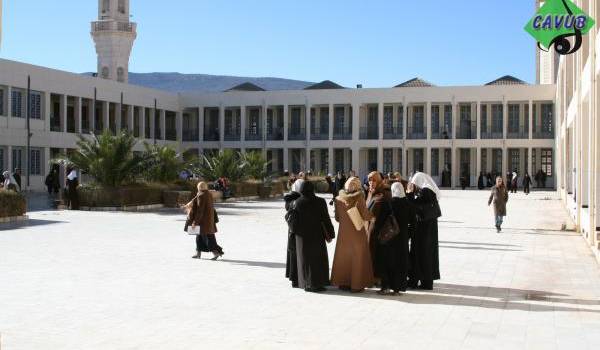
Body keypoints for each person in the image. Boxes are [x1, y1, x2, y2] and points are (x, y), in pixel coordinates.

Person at [330, 177, 374, 293]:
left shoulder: (338, 198)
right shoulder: (359, 197)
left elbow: (337, 218)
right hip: (357, 231)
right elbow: (365, 215)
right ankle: (356, 285)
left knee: (344, 258)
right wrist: (373, 216)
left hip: (343, 234)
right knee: (358, 257)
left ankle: (343, 283)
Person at [291, 181, 335, 292]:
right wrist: (331, 232)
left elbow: (293, 222)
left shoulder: (297, 202)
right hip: (317, 235)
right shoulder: (320, 201)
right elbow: (326, 218)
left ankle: (307, 283)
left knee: (305, 260)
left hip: (302, 236)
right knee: (318, 259)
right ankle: (319, 282)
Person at [373, 182, 414, 294]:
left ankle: (386, 287)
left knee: (387, 262)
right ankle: (397, 289)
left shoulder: (389, 203)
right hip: (402, 239)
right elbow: (412, 221)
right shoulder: (408, 204)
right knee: (400, 263)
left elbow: (380, 221)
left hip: (389, 239)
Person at [408, 172, 441, 290]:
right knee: (426, 255)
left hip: (424, 230)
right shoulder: (428, 190)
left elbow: (417, 207)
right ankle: (424, 280)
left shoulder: (426, 191)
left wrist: (410, 195)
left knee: (424, 255)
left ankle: (425, 281)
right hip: (427, 229)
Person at [186, 181, 224, 260]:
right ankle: (198, 253)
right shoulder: (208, 194)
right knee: (199, 237)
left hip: (203, 222)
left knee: (208, 238)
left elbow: (200, 211)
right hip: (209, 221)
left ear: (199, 188)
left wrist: (195, 222)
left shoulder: (201, 196)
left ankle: (216, 252)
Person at [365, 171, 392, 282]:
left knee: (377, 252)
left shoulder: (385, 191)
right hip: (371, 226)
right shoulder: (372, 191)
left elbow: (386, 209)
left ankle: (378, 277)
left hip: (380, 228)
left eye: (374, 180)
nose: (371, 182)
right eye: (370, 180)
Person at [284, 179, 304, 288]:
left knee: (294, 253)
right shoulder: (292, 199)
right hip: (295, 230)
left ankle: (295, 277)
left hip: (293, 230)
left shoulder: (291, 199)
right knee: (294, 253)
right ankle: (295, 278)